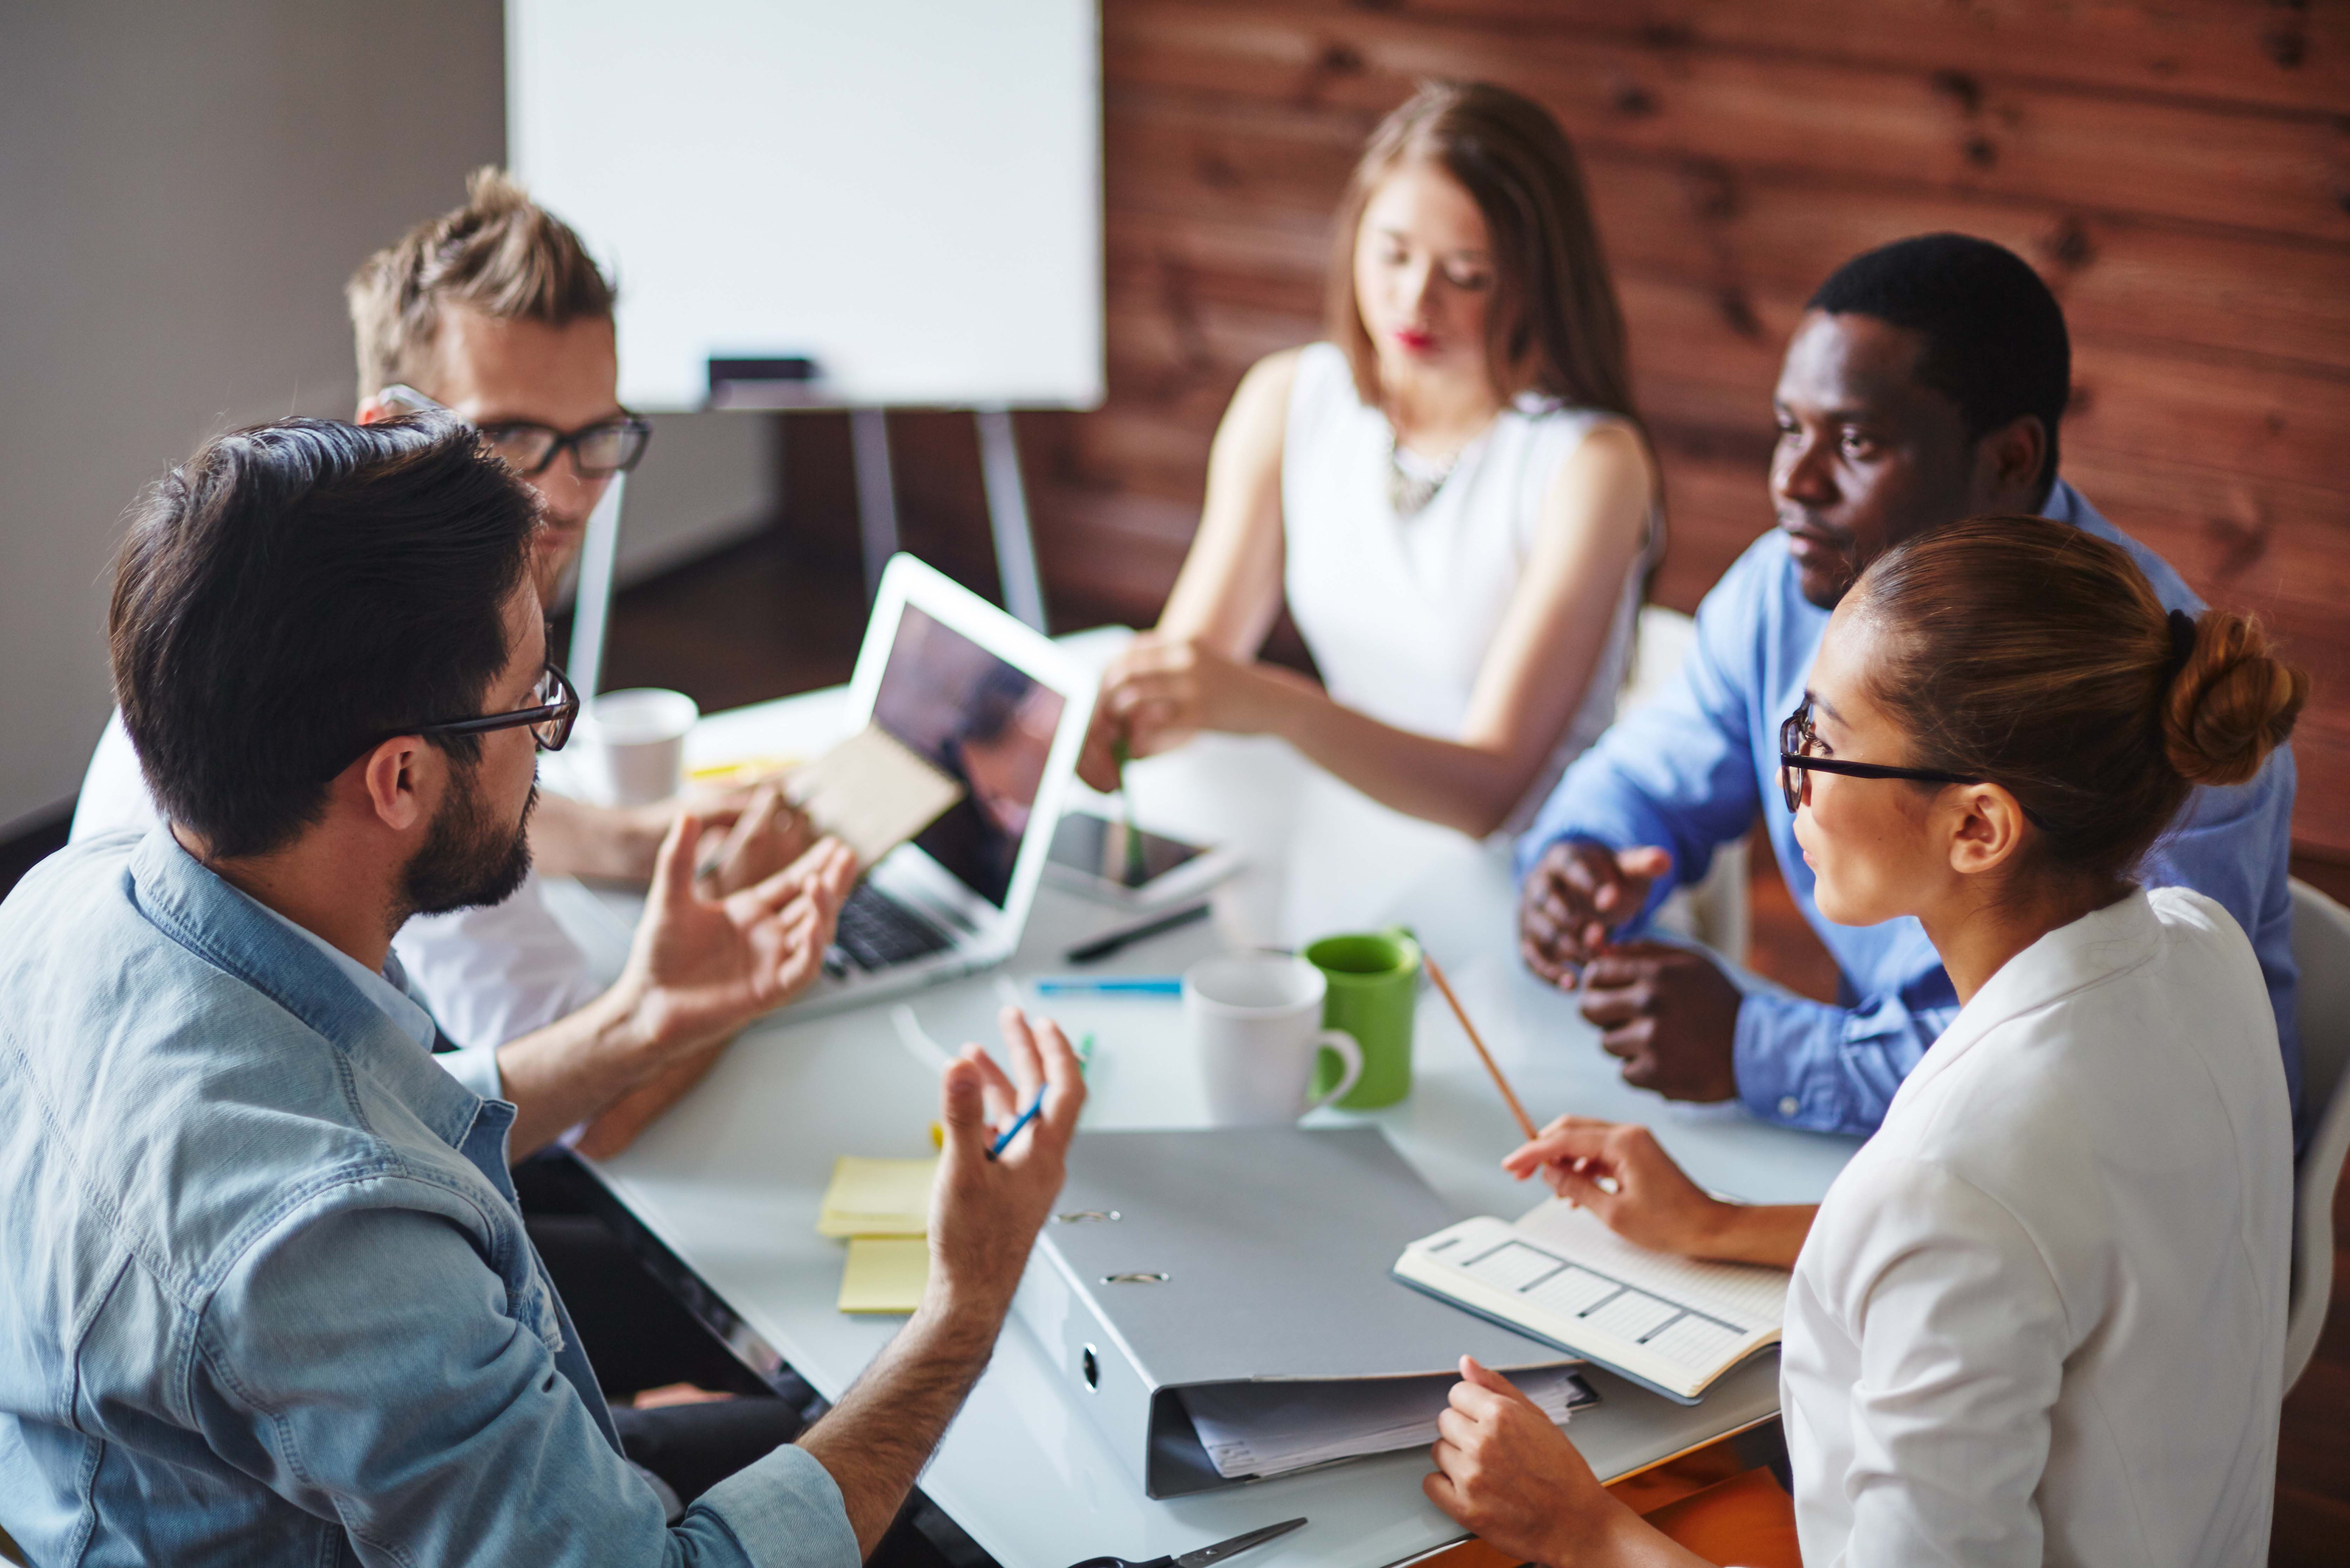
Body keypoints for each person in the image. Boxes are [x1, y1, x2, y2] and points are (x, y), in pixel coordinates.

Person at [0, 415, 1087, 1565]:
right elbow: (332, 1199)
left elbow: (338, 1120)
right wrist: (965, 1303)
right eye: (533, 702)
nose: (546, 744)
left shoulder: (68, 901)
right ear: (403, 778)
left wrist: (643, 1019)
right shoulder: (333, 1242)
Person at [1429, 514, 2303, 1563]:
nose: (1790, 770)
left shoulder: (1960, 1176)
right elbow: (2045, 1257)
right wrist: (1716, 1224)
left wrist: (1581, 1530)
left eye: (1825, 742)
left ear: (1977, 827)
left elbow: (1976, 1225)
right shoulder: (2202, 949)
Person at [69, 168, 802, 1138]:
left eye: (594, 437)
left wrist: (637, 840)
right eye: (509, 436)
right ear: (392, 428)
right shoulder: (412, 685)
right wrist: (740, 958)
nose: (568, 495)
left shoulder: (260, 587)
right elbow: (591, 1111)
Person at [1515, 233, 2301, 1137]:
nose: (1791, 482)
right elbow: (1650, 772)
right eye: (1787, 429)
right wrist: (1579, 857)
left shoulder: (2152, 691)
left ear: (2008, 459)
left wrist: (1759, 1048)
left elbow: (2107, 1075)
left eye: (1854, 440)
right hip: (1923, 1150)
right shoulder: (1786, 586)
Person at [1078, 80, 1660, 838]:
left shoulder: (1591, 465)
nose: (1415, 301)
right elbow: (1193, 672)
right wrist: (1105, 725)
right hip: (1357, 832)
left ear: (1534, 280)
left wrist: (1275, 706)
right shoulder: (1290, 397)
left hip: (1540, 876)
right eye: (1392, 254)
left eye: (1466, 275)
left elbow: (1488, 794)